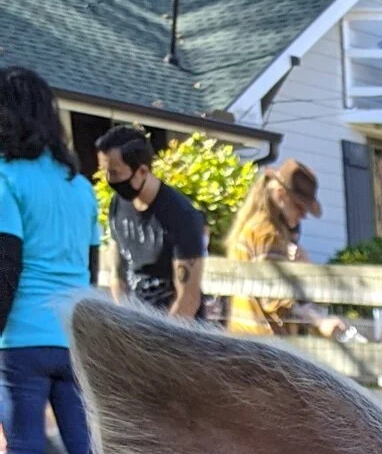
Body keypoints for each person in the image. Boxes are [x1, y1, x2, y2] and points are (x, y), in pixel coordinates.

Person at [0, 65, 109, 454]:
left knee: (23, 444)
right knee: (88, 450)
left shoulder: (5, 176)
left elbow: (7, 263)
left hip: (21, 336)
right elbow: (89, 269)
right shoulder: (80, 186)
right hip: (73, 337)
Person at [225, 159, 345, 338]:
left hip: (245, 338)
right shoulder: (267, 233)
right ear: (280, 195)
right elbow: (275, 298)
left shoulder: (253, 226)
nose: (303, 215)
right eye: (299, 206)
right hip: (264, 345)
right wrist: (319, 321)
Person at [98, 125, 206, 319]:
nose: (109, 179)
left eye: (114, 173)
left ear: (141, 171)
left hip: (175, 336)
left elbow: (188, 299)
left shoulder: (181, 215)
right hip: (134, 327)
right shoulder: (118, 204)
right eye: (105, 171)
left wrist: (158, 343)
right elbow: (118, 274)